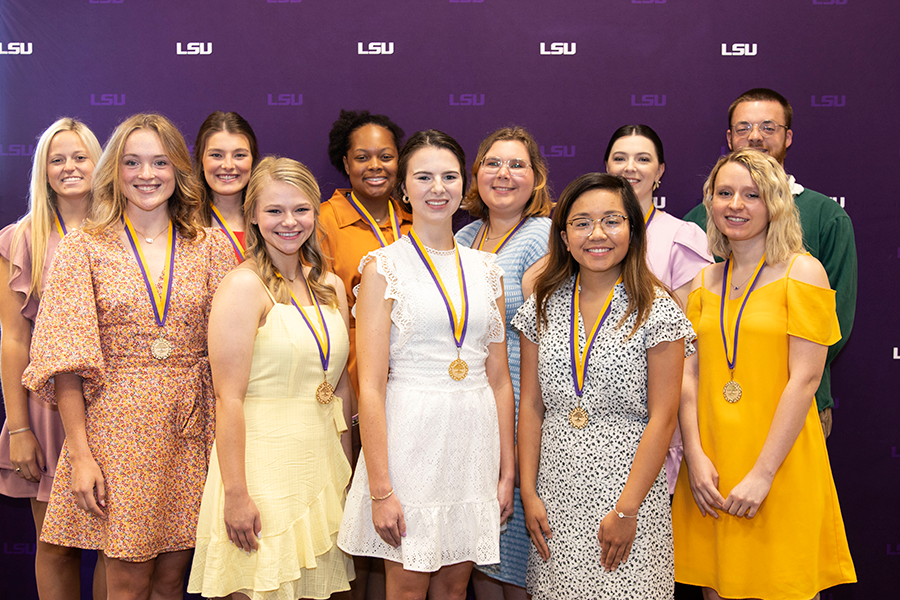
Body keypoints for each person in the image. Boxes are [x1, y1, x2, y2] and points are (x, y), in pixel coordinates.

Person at [22, 113, 236, 600]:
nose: (147, 174)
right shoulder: (84, 247)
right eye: (133, 162)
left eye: (160, 162)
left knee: (171, 579)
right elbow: (67, 362)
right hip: (117, 433)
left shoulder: (211, 246)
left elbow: (234, 347)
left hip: (195, 429)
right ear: (114, 171)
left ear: (179, 170)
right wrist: (79, 455)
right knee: (126, 580)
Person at [337, 130, 516, 600]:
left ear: (465, 184)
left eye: (449, 176)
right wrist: (380, 487)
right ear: (404, 188)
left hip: (473, 442)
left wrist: (507, 472)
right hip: (410, 442)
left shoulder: (487, 269)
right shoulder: (382, 267)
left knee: (455, 589)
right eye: (424, 177)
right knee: (407, 588)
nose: (438, 188)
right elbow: (371, 386)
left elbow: (499, 380)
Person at [672, 149, 856, 599]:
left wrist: (763, 473)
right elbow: (687, 377)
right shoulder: (700, 282)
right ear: (709, 204)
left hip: (780, 460)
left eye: (751, 195)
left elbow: (806, 379)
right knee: (718, 588)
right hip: (712, 465)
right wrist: (695, 458)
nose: (735, 204)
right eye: (725, 193)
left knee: (786, 586)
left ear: (775, 203)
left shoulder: (804, 272)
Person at [514, 173, 694, 599]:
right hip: (554, 495)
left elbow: (664, 416)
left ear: (632, 229)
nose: (597, 234)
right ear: (564, 235)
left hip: (627, 495)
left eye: (612, 221)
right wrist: (528, 491)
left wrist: (626, 509)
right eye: (581, 223)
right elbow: (534, 407)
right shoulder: (542, 303)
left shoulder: (658, 308)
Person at [189, 156, 355, 599]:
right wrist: (237, 495)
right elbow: (228, 399)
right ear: (254, 218)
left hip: (321, 466)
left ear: (315, 214)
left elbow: (338, 388)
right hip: (261, 470)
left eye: (300, 209)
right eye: (274, 211)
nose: (289, 222)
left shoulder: (330, 286)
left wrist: (348, 473)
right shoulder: (243, 287)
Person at [683, 88, 857, 439]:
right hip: (714, 412)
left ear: (788, 137)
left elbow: (833, 323)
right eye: (743, 127)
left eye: (768, 127)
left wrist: (766, 370)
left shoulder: (826, 217)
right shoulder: (700, 220)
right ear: (729, 137)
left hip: (793, 404)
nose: (755, 136)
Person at [0, 118, 106, 600]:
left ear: (99, 163)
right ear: (43, 171)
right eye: (57, 159)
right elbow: (13, 341)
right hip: (45, 412)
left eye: (80, 156)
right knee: (56, 545)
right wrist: (18, 428)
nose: (69, 167)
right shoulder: (20, 238)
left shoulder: (124, 230)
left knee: (116, 546)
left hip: (113, 405)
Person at [454, 126, 552, 600]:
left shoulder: (543, 235)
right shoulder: (466, 235)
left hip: (522, 410)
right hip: (469, 411)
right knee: (478, 554)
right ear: (477, 174)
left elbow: (551, 328)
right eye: (493, 163)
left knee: (517, 559)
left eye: (517, 165)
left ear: (536, 179)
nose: (504, 174)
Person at [321, 109, 411, 600]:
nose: (375, 165)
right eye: (362, 156)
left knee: (403, 524)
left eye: (386, 155)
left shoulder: (420, 216)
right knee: (354, 521)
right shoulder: (323, 220)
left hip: (414, 390)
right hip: (352, 389)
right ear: (345, 162)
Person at [604, 124, 713, 497]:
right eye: (620, 158)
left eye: (643, 159)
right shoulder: (585, 235)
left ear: (660, 171)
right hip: (592, 410)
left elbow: (688, 343)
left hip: (655, 409)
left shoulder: (683, 238)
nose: (630, 167)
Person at [193, 110, 260, 261]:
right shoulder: (183, 224)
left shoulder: (268, 220)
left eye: (239, 155)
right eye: (216, 155)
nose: (228, 165)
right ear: (201, 160)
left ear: (252, 161)